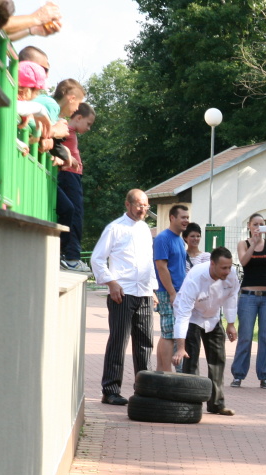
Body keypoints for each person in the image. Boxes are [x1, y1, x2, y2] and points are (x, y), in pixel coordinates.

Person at [89, 190, 157, 406]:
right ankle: (110, 390)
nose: (143, 209)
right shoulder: (115, 228)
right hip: (122, 293)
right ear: (127, 204)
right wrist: (111, 283)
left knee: (145, 343)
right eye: (139, 205)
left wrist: (152, 288)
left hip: (144, 292)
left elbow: (148, 261)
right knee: (119, 341)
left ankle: (144, 389)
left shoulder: (145, 229)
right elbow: (97, 259)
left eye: (146, 206)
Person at [171, 248, 240, 416]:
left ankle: (216, 404)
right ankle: (191, 404)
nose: (227, 271)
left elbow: (232, 297)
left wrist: (231, 324)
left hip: (213, 316)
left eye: (229, 267)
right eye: (223, 268)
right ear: (212, 264)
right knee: (191, 361)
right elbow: (183, 315)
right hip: (192, 316)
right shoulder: (196, 278)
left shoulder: (231, 275)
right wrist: (181, 348)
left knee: (218, 360)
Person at [231, 213, 266, 389]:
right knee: (245, 336)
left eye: (261, 224)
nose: (258, 227)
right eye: (255, 224)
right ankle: (238, 375)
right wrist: (253, 243)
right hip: (248, 296)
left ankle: (264, 376)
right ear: (249, 226)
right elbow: (244, 262)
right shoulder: (243, 244)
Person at [153, 204, 191, 372]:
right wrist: (172, 293)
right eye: (183, 217)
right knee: (169, 334)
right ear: (172, 218)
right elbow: (161, 267)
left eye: (187, 217)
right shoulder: (163, 238)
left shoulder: (179, 240)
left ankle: (161, 370)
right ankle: (167, 373)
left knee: (168, 332)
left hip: (178, 292)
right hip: (168, 292)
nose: (186, 221)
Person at [56, 102, 94, 272]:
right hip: (68, 175)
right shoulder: (65, 129)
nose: (89, 128)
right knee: (75, 215)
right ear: (78, 118)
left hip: (73, 176)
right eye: (88, 123)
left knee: (77, 213)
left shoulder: (70, 132)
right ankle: (71, 257)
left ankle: (70, 255)